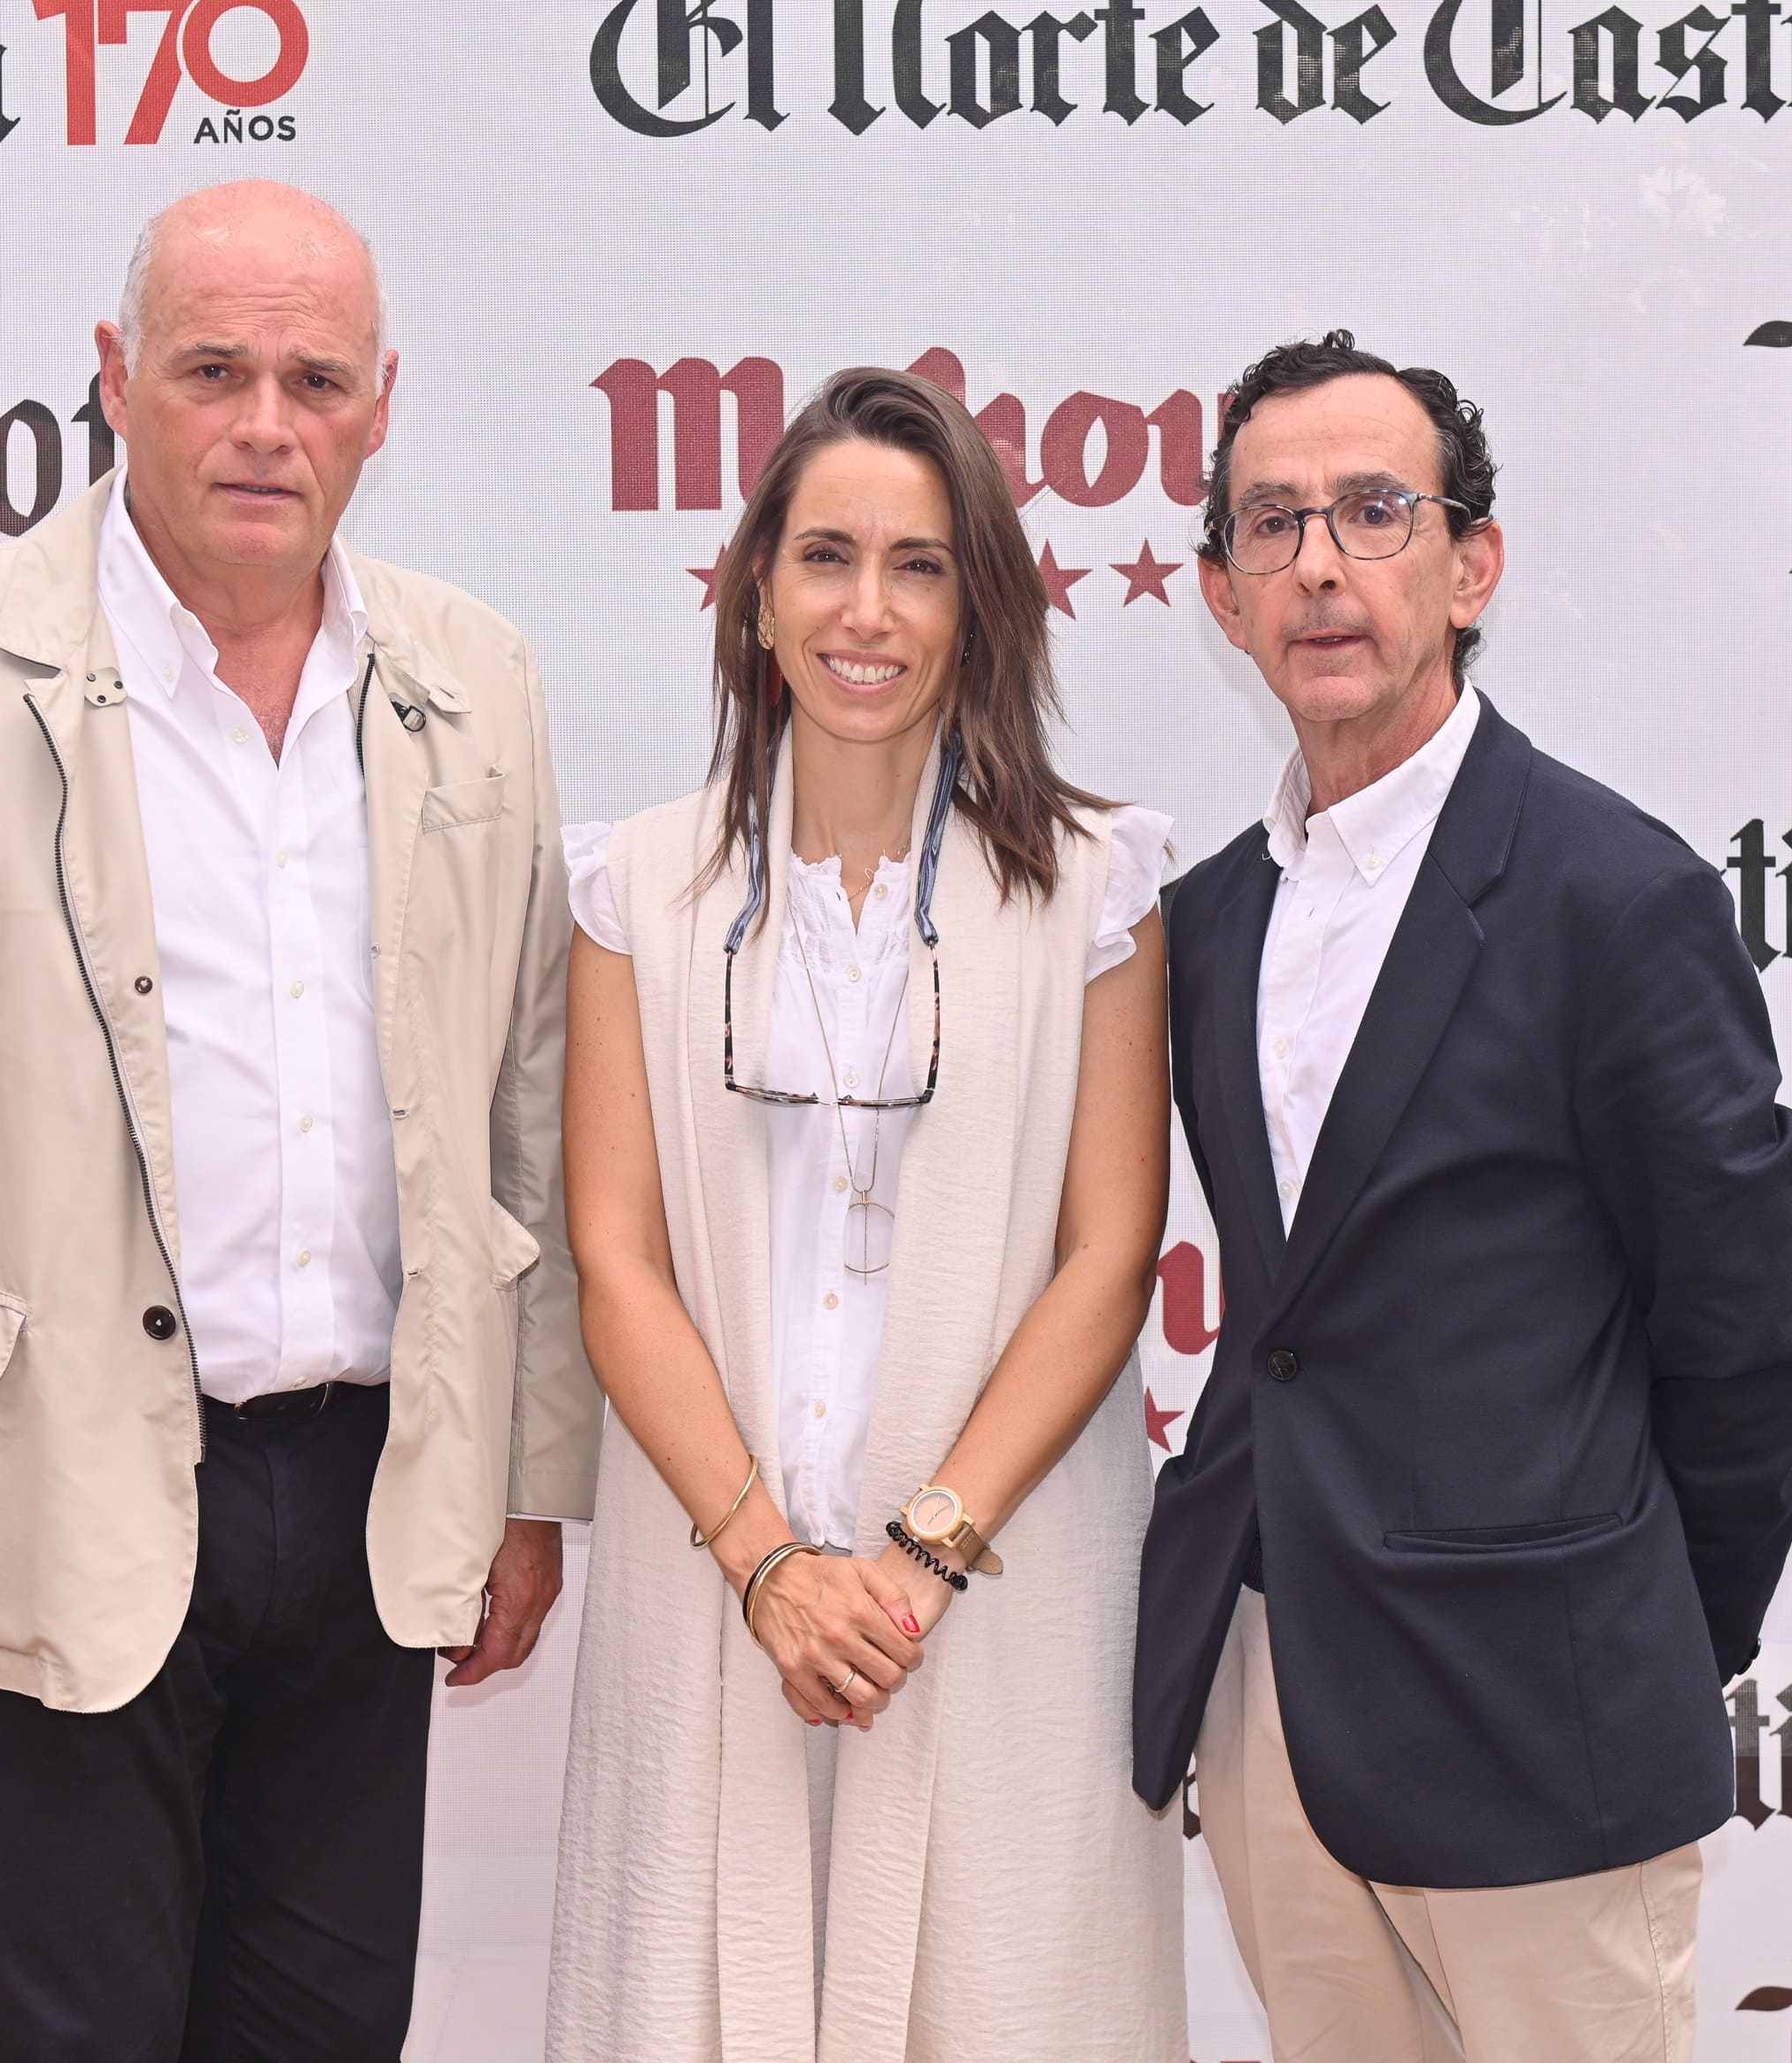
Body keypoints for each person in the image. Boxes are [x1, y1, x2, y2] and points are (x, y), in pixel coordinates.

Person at [0, 181, 596, 2061]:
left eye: (315, 378)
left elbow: (529, 1115)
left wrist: (526, 1469)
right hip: (29, 1489)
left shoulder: (473, 679)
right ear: (114, 378)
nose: (266, 422)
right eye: (213, 369)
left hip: (365, 1499)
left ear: (382, 404)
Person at [1134, 333, 1792, 2063]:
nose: (1319, 563)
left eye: (1374, 512)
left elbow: (1746, 1332)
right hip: (1276, 1693)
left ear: (1470, 564)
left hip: (1546, 1720)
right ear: (1220, 596)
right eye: (1272, 523)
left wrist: (1643, 1630)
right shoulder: (1209, 919)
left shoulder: (1615, 896)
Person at [545, 368, 1186, 2062]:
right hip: (714, 1586)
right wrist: (768, 1561)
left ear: (976, 610)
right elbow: (617, 1255)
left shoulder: (1096, 885)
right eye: (826, 556)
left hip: (996, 1591)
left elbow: (1110, 1253)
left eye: (920, 565)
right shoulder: (637, 889)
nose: (868, 610)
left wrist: (914, 1559)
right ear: (756, 595)